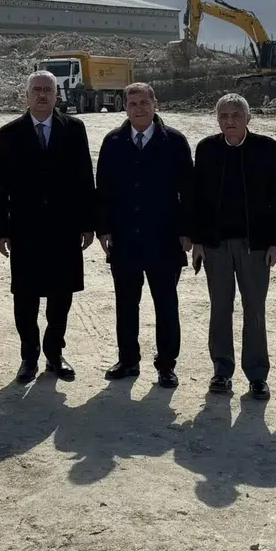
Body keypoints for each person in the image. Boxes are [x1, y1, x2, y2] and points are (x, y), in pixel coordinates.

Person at [0, 71, 96, 384]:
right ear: (26, 95)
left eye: (48, 90)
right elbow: (1, 185)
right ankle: (28, 356)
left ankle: (54, 353)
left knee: (61, 294)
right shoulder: (11, 132)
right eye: (36, 89)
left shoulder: (74, 129)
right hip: (25, 229)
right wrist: (1, 229)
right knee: (25, 296)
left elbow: (84, 178)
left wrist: (88, 223)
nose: (42, 95)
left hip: (64, 228)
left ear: (56, 94)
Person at [95, 83, 195, 388]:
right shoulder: (113, 141)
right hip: (124, 237)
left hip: (164, 238)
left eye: (144, 102)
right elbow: (103, 190)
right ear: (125, 107)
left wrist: (187, 231)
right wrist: (103, 229)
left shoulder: (174, 141)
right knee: (127, 303)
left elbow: (189, 191)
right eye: (132, 103)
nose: (138, 108)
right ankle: (128, 360)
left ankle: (166, 365)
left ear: (155, 104)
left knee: (166, 304)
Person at [190, 93, 276, 398]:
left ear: (248, 118)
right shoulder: (206, 149)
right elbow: (197, 198)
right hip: (216, 246)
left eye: (236, 115)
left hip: (255, 246)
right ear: (217, 119)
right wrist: (198, 241)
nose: (229, 121)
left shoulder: (266, 148)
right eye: (224, 116)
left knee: (254, 309)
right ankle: (222, 371)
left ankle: (257, 375)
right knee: (220, 309)